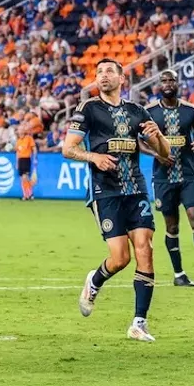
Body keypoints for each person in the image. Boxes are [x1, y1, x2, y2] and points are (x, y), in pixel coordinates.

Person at [65, 58, 169, 342]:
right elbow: (68, 148)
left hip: (136, 189)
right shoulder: (88, 109)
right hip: (105, 192)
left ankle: (139, 322)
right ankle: (94, 281)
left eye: (109, 71)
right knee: (121, 258)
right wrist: (93, 157)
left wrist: (157, 136)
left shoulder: (137, 111)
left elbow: (165, 153)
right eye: (99, 72)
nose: (103, 75)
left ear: (123, 79)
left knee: (145, 248)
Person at [145, 70, 194, 288]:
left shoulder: (190, 110)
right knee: (172, 227)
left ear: (177, 84)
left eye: (171, 80)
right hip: (163, 179)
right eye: (163, 80)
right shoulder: (149, 112)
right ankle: (179, 274)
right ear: (158, 85)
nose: (167, 84)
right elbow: (137, 140)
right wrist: (157, 154)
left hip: (188, 175)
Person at [15, 118, 40, 201]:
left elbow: (34, 148)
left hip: (26, 159)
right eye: (19, 129)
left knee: (25, 177)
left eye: (21, 129)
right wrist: (17, 163)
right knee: (22, 179)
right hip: (20, 160)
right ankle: (26, 195)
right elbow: (17, 152)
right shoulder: (18, 141)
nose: (20, 131)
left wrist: (35, 157)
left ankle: (29, 194)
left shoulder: (28, 138)